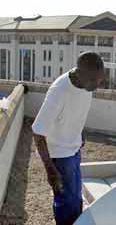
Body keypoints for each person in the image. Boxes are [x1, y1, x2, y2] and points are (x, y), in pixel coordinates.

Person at [32, 51, 105, 225]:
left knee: (75, 199)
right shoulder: (60, 91)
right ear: (79, 73)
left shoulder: (86, 82)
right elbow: (38, 131)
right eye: (93, 80)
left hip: (73, 149)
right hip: (59, 155)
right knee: (66, 203)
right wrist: (50, 171)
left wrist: (79, 132)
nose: (97, 85)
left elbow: (75, 110)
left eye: (99, 79)